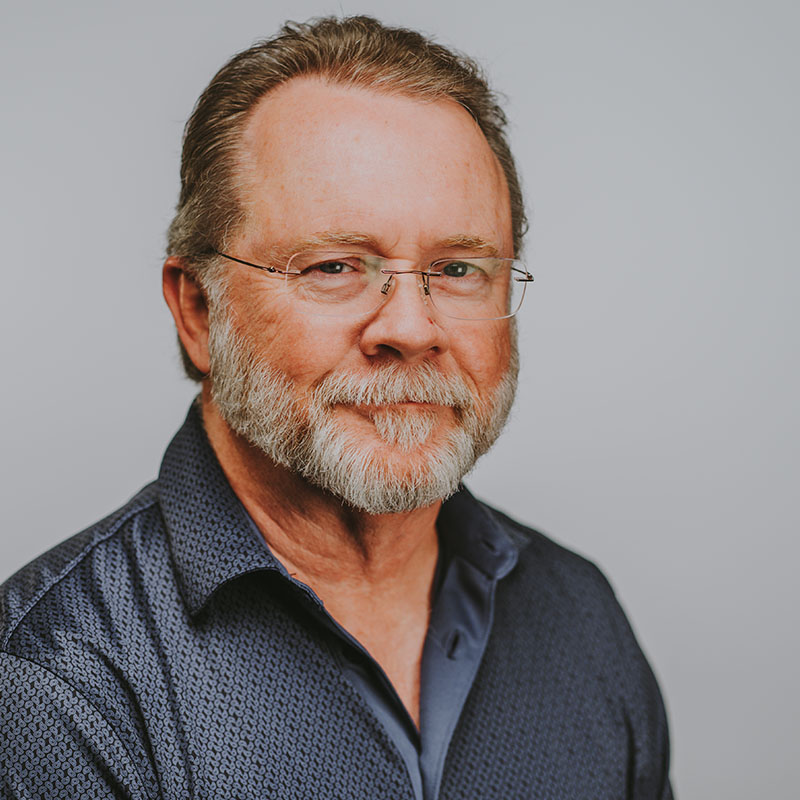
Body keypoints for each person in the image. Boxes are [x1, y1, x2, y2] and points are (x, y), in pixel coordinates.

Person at [0, 15, 672, 800]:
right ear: (199, 311)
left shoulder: (580, 615)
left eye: (458, 269)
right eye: (333, 266)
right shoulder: (53, 680)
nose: (411, 329)